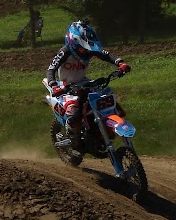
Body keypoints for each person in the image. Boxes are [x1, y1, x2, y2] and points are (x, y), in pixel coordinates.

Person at [46, 19, 131, 152]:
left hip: (84, 82)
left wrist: (119, 63)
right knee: (73, 114)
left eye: (86, 48)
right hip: (66, 86)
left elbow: (105, 54)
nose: (85, 51)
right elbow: (51, 69)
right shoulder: (65, 52)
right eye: (82, 48)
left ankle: (103, 129)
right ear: (72, 41)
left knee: (106, 98)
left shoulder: (89, 50)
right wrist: (53, 85)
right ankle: (76, 143)